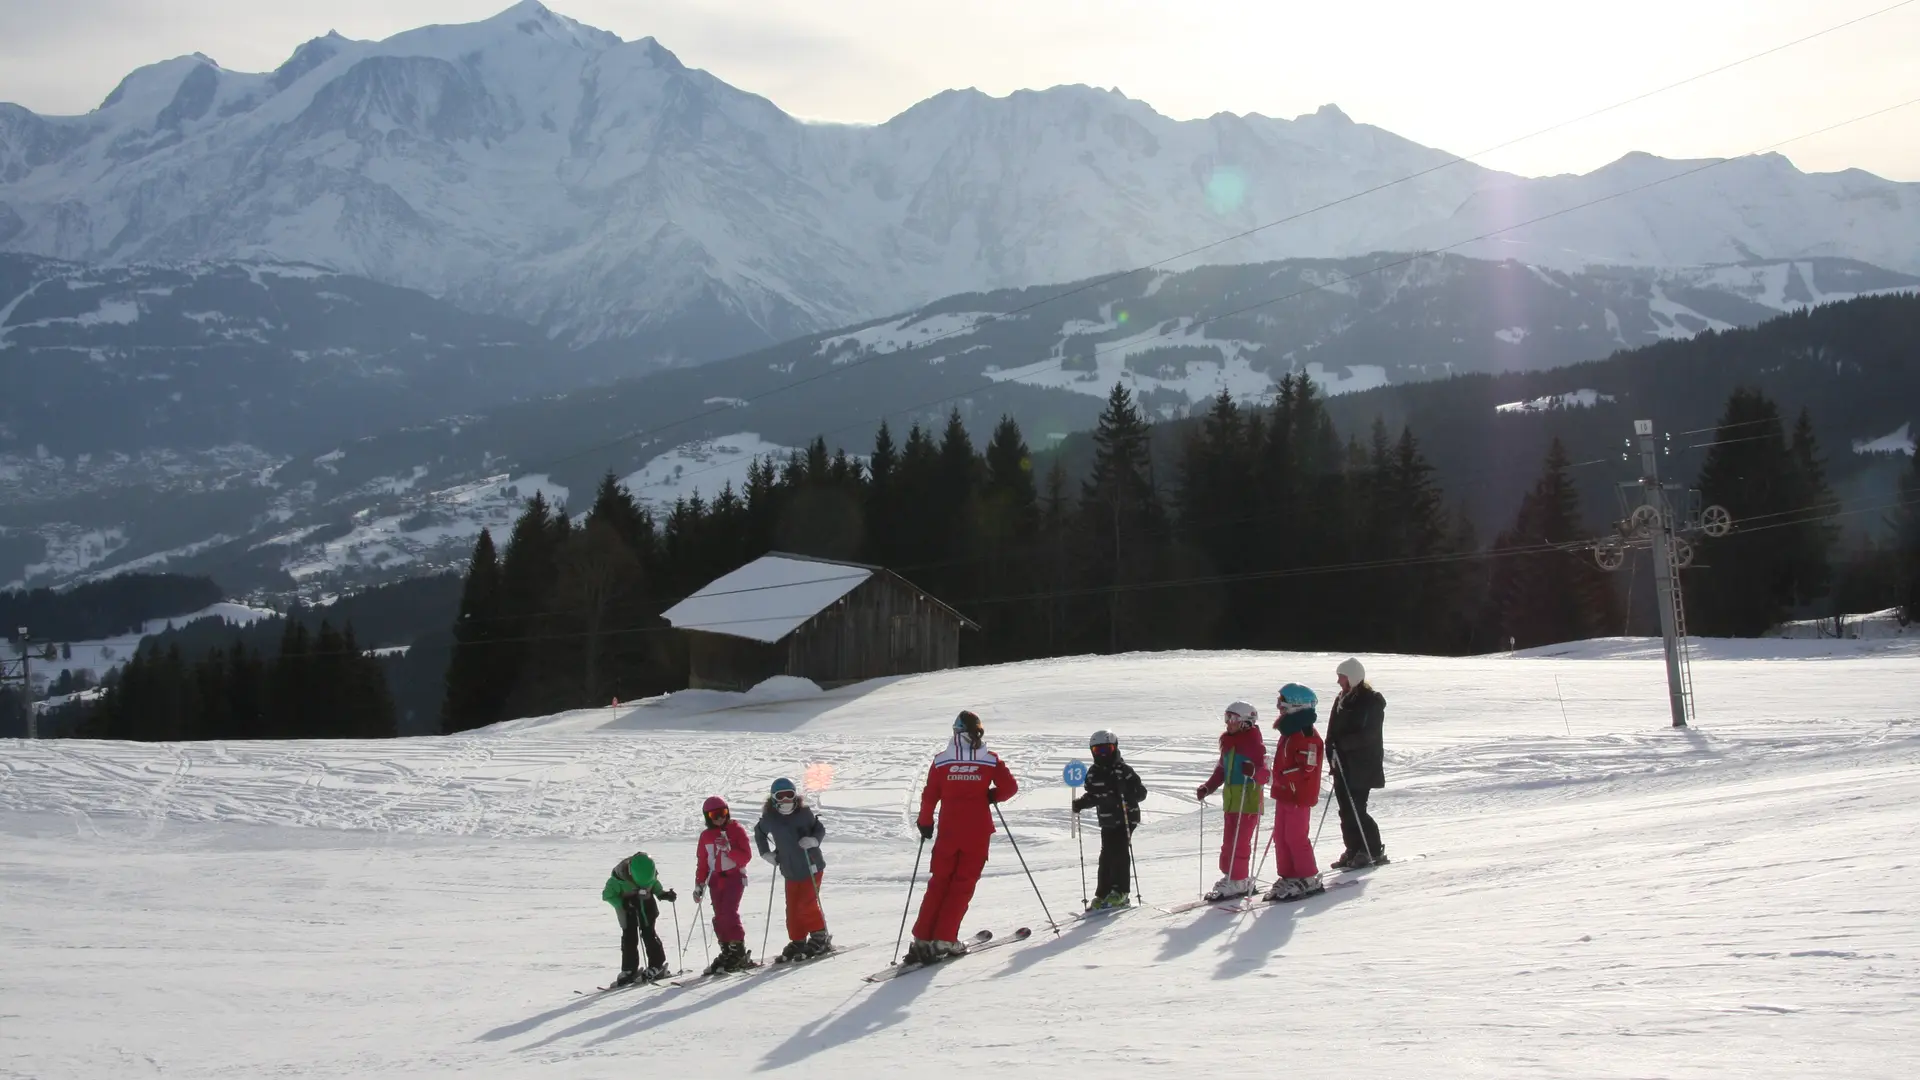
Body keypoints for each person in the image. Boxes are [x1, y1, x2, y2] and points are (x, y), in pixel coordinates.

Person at [908, 709, 1018, 965]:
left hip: (949, 832)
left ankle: (922, 939)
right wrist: (991, 796)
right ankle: (945, 939)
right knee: (962, 884)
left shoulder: (941, 761)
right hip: (976, 832)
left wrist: (925, 822)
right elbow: (1010, 788)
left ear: (956, 732)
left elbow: (930, 795)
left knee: (939, 882)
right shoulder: (989, 759)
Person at [1195, 700, 1269, 900]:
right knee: (1228, 844)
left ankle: (1239, 879)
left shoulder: (1254, 745)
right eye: (1227, 717)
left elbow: (1265, 775)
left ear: (1246, 722)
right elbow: (1221, 770)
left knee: (1240, 843)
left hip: (1248, 800)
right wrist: (1208, 787)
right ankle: (1231, 877)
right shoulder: (1228, 744)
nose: (1228, 722)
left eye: (1233, 718)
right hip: (1231, 802)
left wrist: (1253, 772)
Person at [753, 777, 832, 962]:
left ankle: (820, 937)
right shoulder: (770, 818)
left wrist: (814, 840)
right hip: (789, 870)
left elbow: (819, 828)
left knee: (806, 904)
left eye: (789, 795)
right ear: (774, 798)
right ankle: (798, 940)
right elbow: (759, 833)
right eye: (781, 796)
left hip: (811, 867)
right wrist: (766, 853)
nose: (786, 799)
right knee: (793, 908)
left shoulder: (803, 813)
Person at [1071, 729, 1148, 909]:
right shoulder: (1093, 773)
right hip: (1107, 820)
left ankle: (1121, 891)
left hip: (1126, 818)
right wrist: (1081, 803)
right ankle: (1103, 893)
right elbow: (1093, 796)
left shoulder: (1123, 770)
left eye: (1107, 749)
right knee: (1106, 855)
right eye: (1098, 750)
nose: (1103, 754)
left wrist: (1127, 791)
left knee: (1119, 851)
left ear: (1115, 748)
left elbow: (1141, 793)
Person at [1264, 684, 1326, 901]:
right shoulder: (1289, 730)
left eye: (1282, 703)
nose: (1279, 707)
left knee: (1295, 836)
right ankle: (1289, 874)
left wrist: (1283, 777)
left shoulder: (1306, 733)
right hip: (1284, 793)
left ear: (1297, 705)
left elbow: (1307, 767)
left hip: (1298, 795)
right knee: (1281, 836)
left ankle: (1308, 876)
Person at [1326, 658, 1388, 869]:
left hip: (1362, 765)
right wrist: (1331, 752)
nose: (1339, 682)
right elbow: (1332, 730)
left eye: (1341, 677)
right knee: (1345, 810)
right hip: (1342, 764)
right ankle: (1353, 848)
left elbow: (1370, 735)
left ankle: (1372, 849)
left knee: (1356, 808)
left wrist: (1343, 745)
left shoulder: (1371, 701)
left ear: (1353, 677)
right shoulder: (1341, 699)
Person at [693, 795, 756, 974]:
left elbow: (746, 857)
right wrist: (699, 884)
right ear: (708, 817)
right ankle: (727, 950)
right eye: (714, 815)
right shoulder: (706, 836)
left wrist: (729, 849)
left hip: (734, 877)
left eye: (723, 812)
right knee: (719, 916)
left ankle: (738, 951)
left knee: (729, 912)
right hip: (715, 880)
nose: (720, 818)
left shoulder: (736, 830)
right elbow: (703, 863)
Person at [601, 849, 677, 986]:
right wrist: (623, 903)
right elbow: (607, 895)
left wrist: (663, 895)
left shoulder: (649, 873)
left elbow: (655, 885)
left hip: (647, 908)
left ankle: (657, 965)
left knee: (649, 934)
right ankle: (629, 969)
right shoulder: (617, 880)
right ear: (630, 872)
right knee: (629, 937)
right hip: (627, 911)